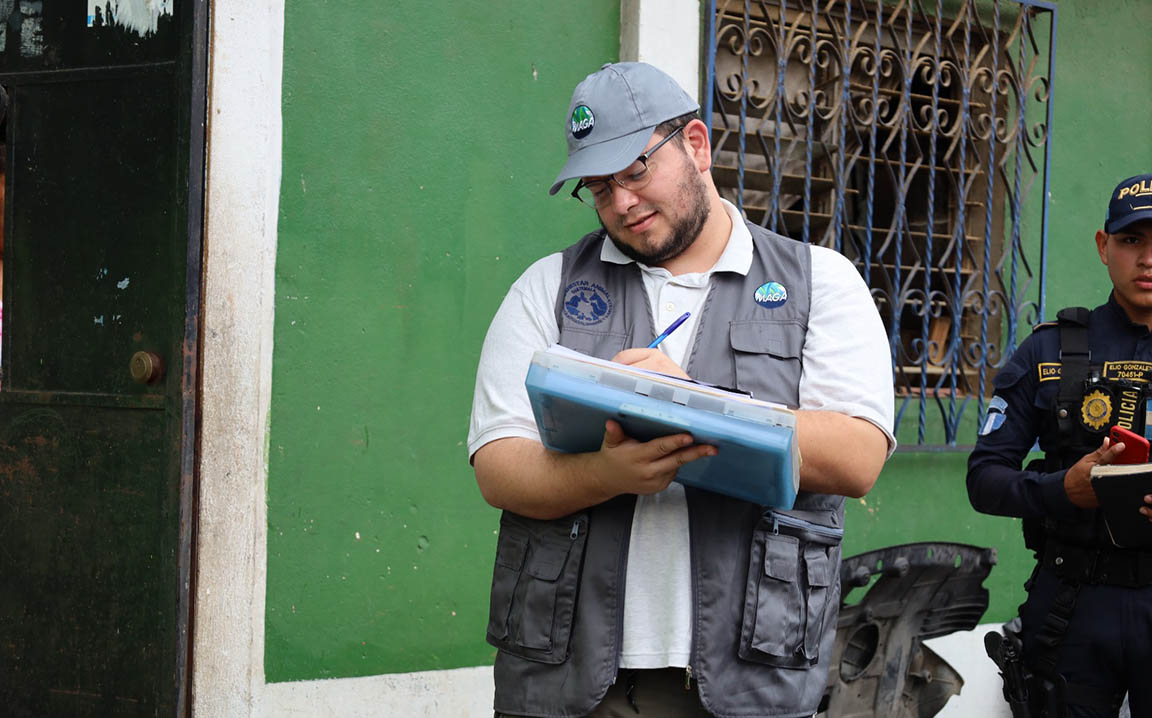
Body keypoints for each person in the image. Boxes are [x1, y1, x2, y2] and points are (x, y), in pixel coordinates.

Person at [467, 62, 894, 717]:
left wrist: (694, 400)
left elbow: (857, 455)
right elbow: (499, 465)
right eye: (599, 188)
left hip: (748, 682)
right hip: (568, 683)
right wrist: (605, 474)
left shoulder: (819, 283)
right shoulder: (548, 287)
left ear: (695, 144)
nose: (622, 203)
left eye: (635, 171)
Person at [967, 173, 1152, 718]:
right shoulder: (1050, 350)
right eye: (1132, 240)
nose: (1147, 259)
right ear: (1103, 245)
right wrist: (1061, 490)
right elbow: (984, 478)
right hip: (1071, 607)